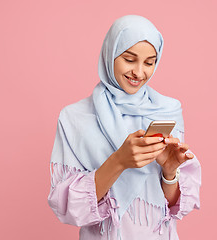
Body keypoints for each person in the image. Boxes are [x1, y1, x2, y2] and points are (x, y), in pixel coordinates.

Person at [48, 15, 201, 240]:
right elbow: (68, 209)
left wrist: (169, 173)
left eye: (150, 62)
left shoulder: (167, 111)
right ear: (110, 55)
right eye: (129, 59)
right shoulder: (74, 118)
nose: (139, 73)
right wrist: (120, 161)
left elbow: (172, 208)